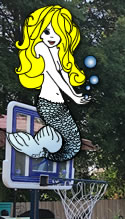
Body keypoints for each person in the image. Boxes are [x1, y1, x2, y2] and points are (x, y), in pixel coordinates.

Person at [7, 5, 89, 162]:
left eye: (58, 32)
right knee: (72, 144)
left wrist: (74, 94)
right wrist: (74, 97)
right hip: (48, 103)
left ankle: (41, 149)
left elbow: (64, 74)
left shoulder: (58, 51)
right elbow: (53, 73)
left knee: (73, 145)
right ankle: (38, 148)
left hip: (59, 104)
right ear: (38, 31)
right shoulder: (41, 47)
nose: (52, 36)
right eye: (46, 31)